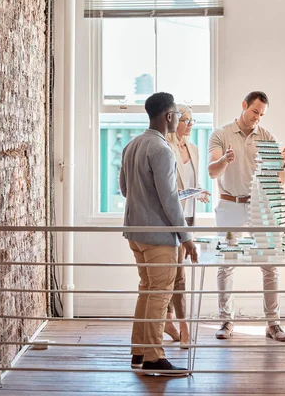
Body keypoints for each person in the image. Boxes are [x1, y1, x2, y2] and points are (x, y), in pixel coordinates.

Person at [120, 92, 198, 376]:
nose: (178, 118)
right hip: (158, 236)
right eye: (176, 113)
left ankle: (139, 353)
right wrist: (187, 237)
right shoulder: (162, 149)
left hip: (135, 232)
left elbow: (124, 189)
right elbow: (169, 199)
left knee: (147, 290)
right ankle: (153, 356)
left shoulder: (132, 144)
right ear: (168, 116)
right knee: (159, 294)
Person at [207, 91, 285, 342]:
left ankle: (273, 324)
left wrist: (279, 165)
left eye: (262, 114)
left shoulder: (266, 137)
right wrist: (225, 159)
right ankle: (225, 321)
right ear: (244, 105)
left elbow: (280, 182)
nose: (257, 118)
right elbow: (212, 171)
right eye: (255, 112)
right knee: (226, 264)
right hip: (230, 205)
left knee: (270, 264)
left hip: (259, 207)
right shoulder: (220, 134)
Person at [163, 105, 210, 348]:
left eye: (193, 121)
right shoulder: (166, 148)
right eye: (186, 121)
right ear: (174, 121)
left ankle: (170, 321)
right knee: (177, 275)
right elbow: (170, 189)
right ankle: (182, 326)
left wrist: (198, 191)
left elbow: (190, 181)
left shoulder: (193, 149)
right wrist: (186, 193)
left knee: (177, 272)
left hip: (189, 217)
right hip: (172, 218)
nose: (190, 126)